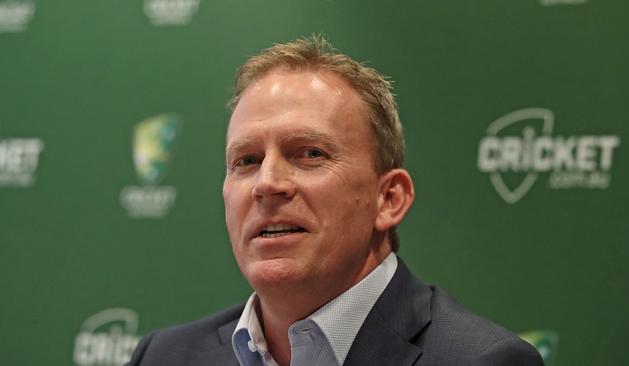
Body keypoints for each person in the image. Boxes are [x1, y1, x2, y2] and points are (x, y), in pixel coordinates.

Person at [126, 36, 544, 366]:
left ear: (389, 199)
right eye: (247, 160)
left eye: (310, 154)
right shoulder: (164, 357)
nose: (267, 184)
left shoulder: (480, 361)